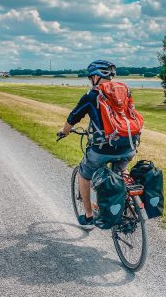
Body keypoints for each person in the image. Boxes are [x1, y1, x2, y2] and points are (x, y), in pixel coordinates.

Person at [57, 60, 139, 229]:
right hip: (128, 146)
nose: (90, 80)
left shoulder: (92, 95)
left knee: (84, 173)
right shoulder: (123, 92)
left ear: (96, 76)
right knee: (121, 171)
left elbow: (74, 117)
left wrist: (64, 131)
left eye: (90, 77)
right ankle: (130, 211)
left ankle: (88, 217)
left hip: (102, 150)